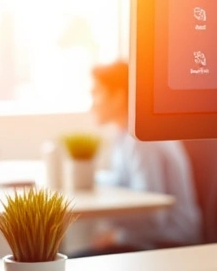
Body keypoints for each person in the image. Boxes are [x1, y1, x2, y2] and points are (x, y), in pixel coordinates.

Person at [84, 61, 202, 254]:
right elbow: (122, 182)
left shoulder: (142, 140)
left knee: (74, 261)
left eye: (96, 93)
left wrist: (117, 237)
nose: (92, 103)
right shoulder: (123, 135)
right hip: (149, 240)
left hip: (169, 245)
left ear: (118, 97)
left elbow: (152, 217)